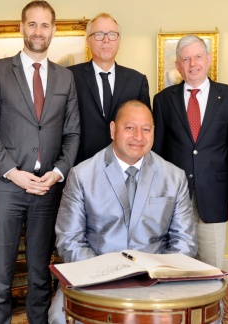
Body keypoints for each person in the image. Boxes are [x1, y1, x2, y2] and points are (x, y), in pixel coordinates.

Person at [0, 1, 80, 323]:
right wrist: (13, 173)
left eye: (45, 25)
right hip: (5, 189)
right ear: (21, 28)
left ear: (53, 30)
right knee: (0, 278)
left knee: (39, 277)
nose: (38, 31)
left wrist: (57, 173)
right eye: (32, 24)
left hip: (47, 191)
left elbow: (73, 134)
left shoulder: (66, 79)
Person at [49, 100, 197, 323]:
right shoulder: (82, 175)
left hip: (157, 280)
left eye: (146, 129)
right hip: (96, 278)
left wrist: (155, 274)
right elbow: (69, 240)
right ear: (112, 129)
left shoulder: (174, 177)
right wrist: (108, 274)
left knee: (209, 314)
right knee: (59, 317)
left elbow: (185, 241)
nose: (138, 136)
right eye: (130, 128)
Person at [152, 34, 228, 269]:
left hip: (215, 197)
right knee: (175, 266)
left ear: (209, 59)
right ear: (178, 65)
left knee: (211, 268)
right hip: (173, 197)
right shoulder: (162, 101)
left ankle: (212, 307)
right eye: (186, 59)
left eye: (198, 57)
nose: (193, 64)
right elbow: (157, 154)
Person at [68, 13, 150, 165]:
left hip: (125, 166)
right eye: (99, 34)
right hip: (81, 167)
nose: (106, 40)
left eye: (112, 34)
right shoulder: (69, 77)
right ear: (88, 41)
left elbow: (145, 128)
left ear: (119, 40)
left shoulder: (137, 80)